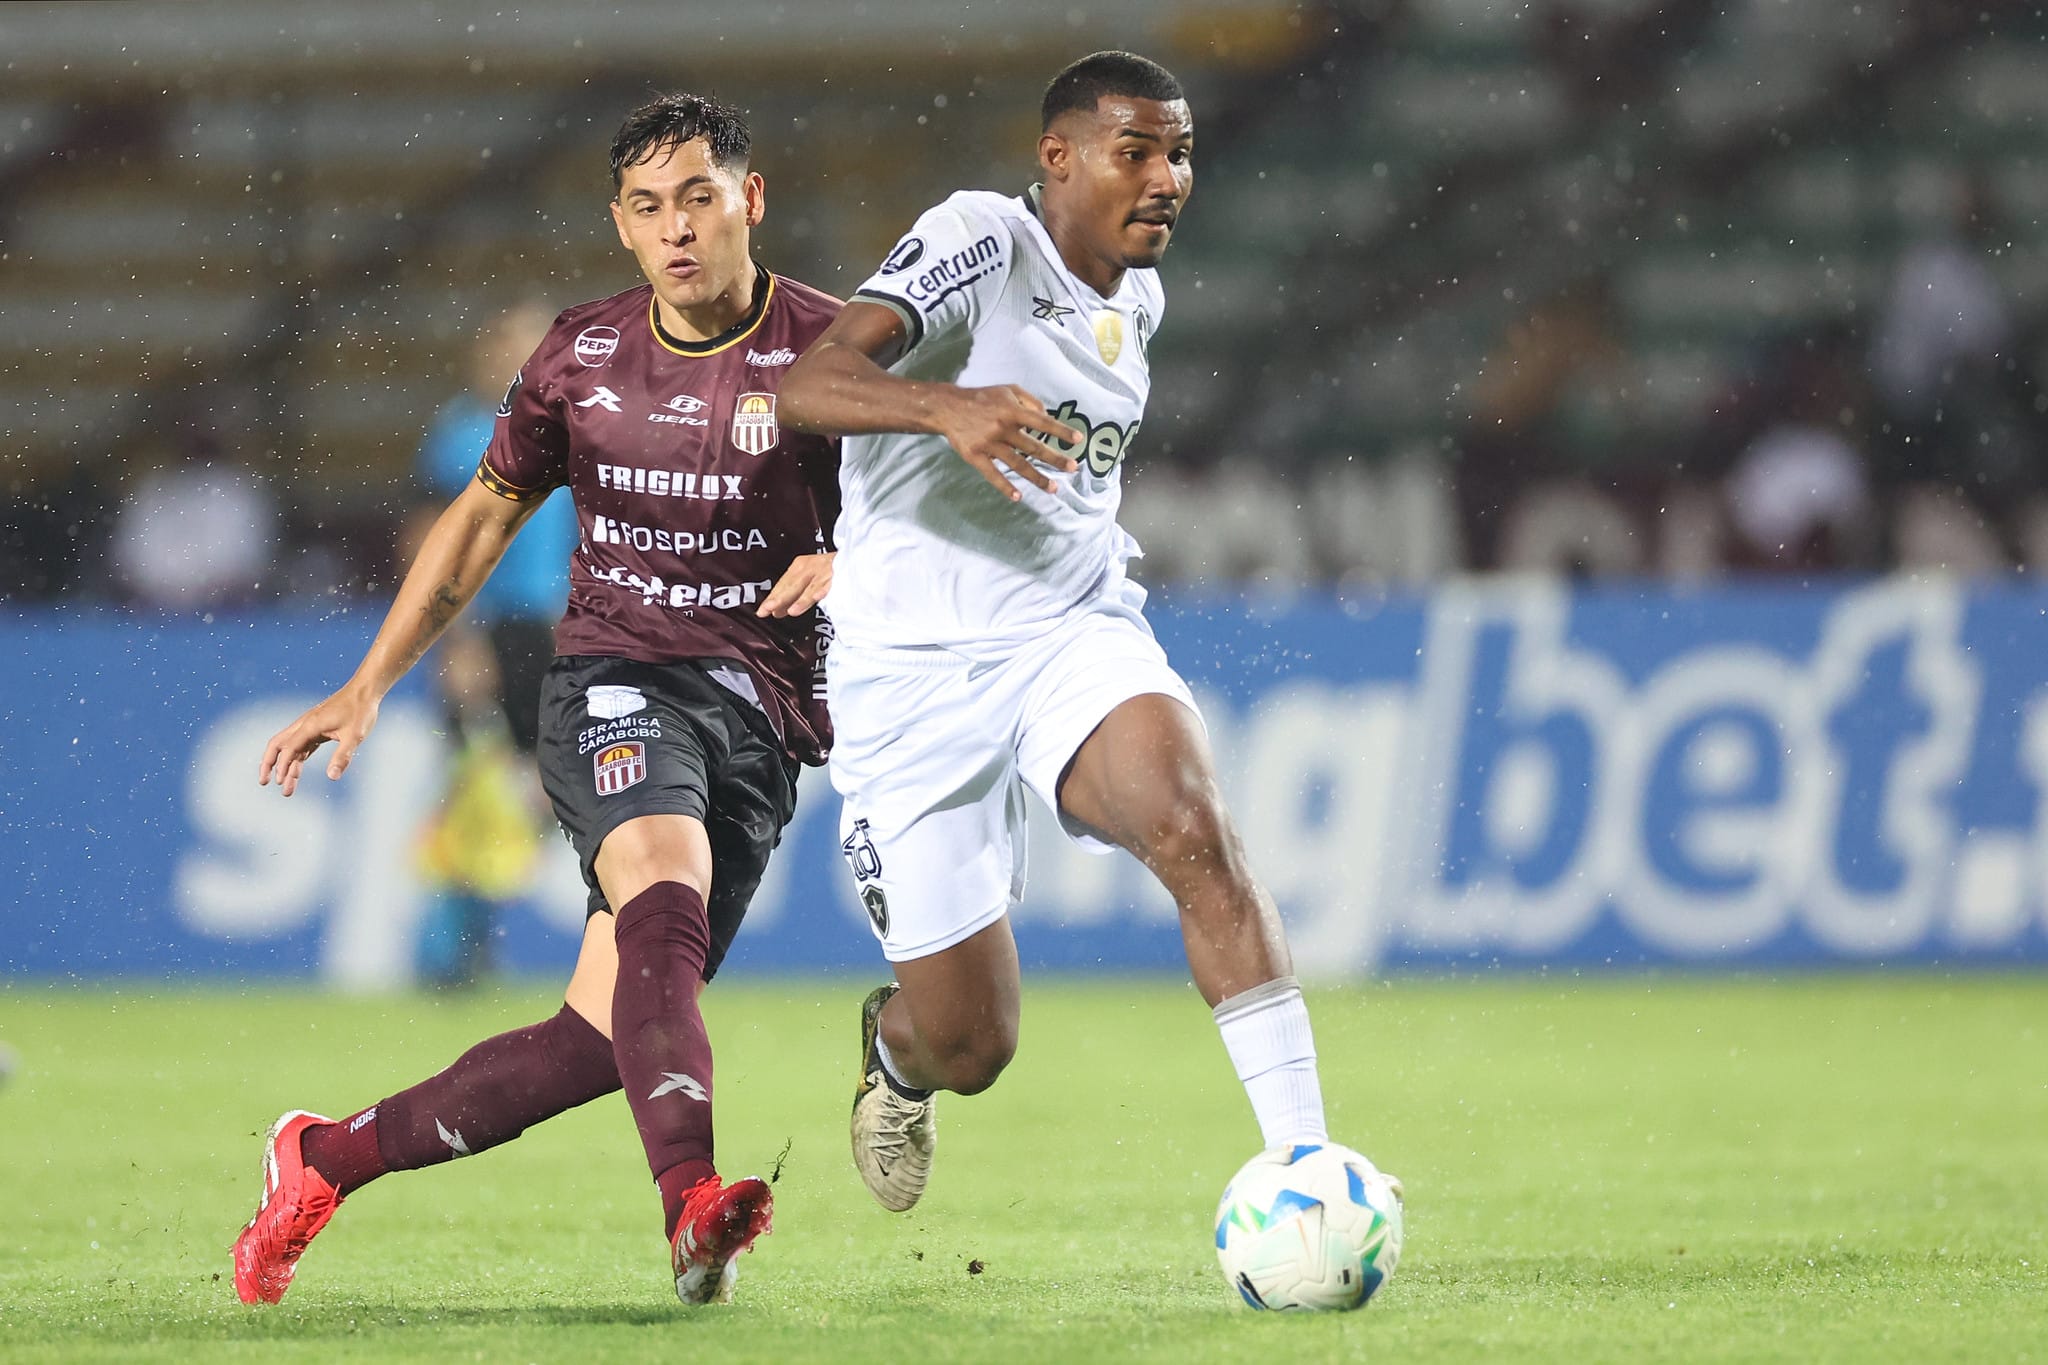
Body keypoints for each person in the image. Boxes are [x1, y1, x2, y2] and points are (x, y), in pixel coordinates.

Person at [234, 92, 842, 1308]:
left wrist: (861, 557)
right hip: (614, 678)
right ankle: (691, 1209)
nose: (676, 229)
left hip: (763, 717)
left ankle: (322, 1159)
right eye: (647, 207)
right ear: (621, 224)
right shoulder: (582, 355)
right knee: (660, 874)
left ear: (750, 199)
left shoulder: (837, 351)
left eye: (699, 199)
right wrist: (367, 684)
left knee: (595, 1041)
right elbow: (478, 521)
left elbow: (945, 514)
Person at [781, 52, 1399, 1214]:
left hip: (1065, 630)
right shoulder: (980, 240)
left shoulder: (1136, 297)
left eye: (1181, 155)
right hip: (906, 675)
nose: (1166, 178)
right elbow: (805, 386)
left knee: (1191, 827)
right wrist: (941, 405)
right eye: (1136, 152)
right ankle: (895, 1057)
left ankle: (1305, 1166)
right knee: (971, 1044)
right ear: (1056, 157)